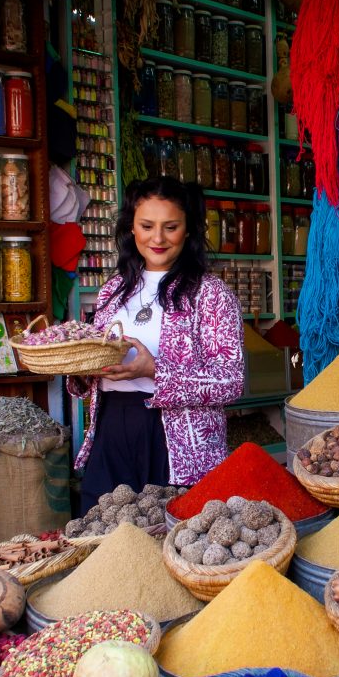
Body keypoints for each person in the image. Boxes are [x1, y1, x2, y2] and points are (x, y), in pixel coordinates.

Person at [68, 176, 245, 512]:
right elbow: (94, 368)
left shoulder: (210, 294)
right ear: (131, 229)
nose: (158, 238)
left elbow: (231, 380)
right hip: (112, 427)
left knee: (171, 535)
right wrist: (81, 369)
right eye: (147, 225)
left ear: (189, 230)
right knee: (103, 533)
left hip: (178, 439)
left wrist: (156, 372)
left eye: (171, 227)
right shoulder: (112, 292)